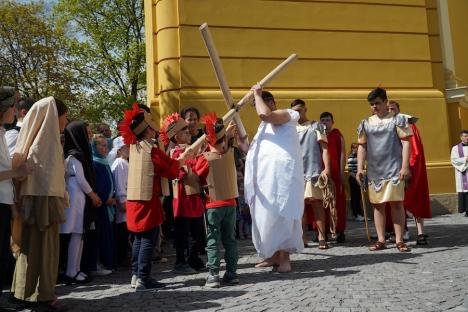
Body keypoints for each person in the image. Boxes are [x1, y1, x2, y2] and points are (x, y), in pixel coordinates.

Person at [119, 104, 188, 291]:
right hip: (147, 200)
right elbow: (170, 169)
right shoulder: (152, 150)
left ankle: (136, 275)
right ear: (147, 129)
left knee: (138, 240)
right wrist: (180, 162)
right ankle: (143, 277)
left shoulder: (134, 148)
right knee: (148, 238)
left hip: (135, 200)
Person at [11, 96, 69, 309]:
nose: (66, 121)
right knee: (45, 247)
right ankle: (40, 294)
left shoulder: (45, 145)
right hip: (44, 201)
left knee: (32, 245)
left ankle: (23, 291)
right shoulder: (45, 147)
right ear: (54, 116)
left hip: (40, 199)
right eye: (65, 116)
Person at [245, 86, 304, 273]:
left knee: (283, 214)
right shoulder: (262, 128)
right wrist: (241, 144)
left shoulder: (287, 115)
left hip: (283, 178)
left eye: (259, 103)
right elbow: (257, 153)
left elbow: (265, 114)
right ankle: (271, 256)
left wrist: (256, 94)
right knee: (266, 217)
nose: (257, 108)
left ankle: (284, 258)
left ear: (271, 102)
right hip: (265, 180)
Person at [194, 113, 247, 287]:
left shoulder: (204, 159)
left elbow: (197, 176)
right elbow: (224, 147)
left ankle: (213, 275)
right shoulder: (230, 154)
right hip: (231, 203)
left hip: (213, 204)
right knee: (230, 240)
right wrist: (228, 135)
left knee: (213, 240)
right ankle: (231, 273)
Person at [356, 87, 412, 252]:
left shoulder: (397, 119)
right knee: (378, 206)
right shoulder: (365, 123)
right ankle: (381, 240)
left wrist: (405, 166)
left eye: (377, 103)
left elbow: (406, 142)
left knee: (396, 204)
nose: (374, 107)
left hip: (394, 168)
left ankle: (399, 240)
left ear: (386, 102)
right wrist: (360, 168)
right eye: (372, 104)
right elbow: (362, 147)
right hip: (374, 171)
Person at [160, 113, 204, 274]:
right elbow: (177, 171)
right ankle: (181, 261)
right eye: (184, 132)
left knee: (197, 231)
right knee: (183, 232)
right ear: (176, 136)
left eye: (187, 131)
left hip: (194, 197)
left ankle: (194, 258)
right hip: (182, 199)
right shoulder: (175, 153)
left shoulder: (191, 150)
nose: (188, 133)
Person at [0, 87, 33, 300]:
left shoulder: (2, 132)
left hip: (4, 201)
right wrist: (18, 171)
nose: (15, 111)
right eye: (13, 106)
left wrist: (12, 204)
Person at [60, 121, 101, 285]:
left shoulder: (79, 154)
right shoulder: (74, 155)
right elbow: (81, 179)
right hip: (76, 196)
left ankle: (75, 269)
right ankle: (71, 270)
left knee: (79, 233)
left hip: (79, 197)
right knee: (75, 233)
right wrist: (93, 195)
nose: (89, 136)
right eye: (87, 133)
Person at [388, 100, 431, 245]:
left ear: (398, 110)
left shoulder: (408, 124)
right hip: (393, 169)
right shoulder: (387, 125)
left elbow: (415, 150)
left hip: (409, 169)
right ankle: (402, 232)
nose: (390, 110)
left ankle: (421, 233)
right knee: (397, 202)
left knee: (415, 198)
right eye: (388, 108)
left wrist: (408, 168)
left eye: (393, 108)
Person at [290, 99, 330, 249]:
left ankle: (321, 237)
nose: (297, 113)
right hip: (296, 172)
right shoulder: (290, 129)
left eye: (299, 110)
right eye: (294, 111)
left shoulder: (316, 126)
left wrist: (327, 168)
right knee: (299, 208)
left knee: (317, 204)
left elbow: (325, 148)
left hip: (313, 171)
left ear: (305, 109)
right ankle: (303, 238)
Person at [320, 111, 347, 243]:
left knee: (337, 202)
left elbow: (342, 153)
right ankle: (322, 231)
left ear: (332, 122)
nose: (325, 123)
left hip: (336, 173)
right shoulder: (318, 135)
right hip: (322, 173)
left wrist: (342, 172)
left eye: (327, 120)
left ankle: (340, 230)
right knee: (322, 201)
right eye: (323, 120)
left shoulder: (337, 135)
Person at [92, 134, 116, 272]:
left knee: (109, 234)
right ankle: (102, 263)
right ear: (94, 147)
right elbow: (96, 185)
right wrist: (105, 198)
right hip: (101, 205)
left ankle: (109, 262)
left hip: (109, 204)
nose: (105, 148)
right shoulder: (94, 162)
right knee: (102, 236)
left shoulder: (104, 161)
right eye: (102, 145)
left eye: (106, 145)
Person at [110, 136, 130, 266]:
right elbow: (120, 185)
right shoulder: (120, 163)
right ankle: (122, 259)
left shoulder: (124, 162)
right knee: (123, 233)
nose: (128, 149)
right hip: (123, 205)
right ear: (118, 150)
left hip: (126, 203)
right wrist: (123, 201)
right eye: (124, 147)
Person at [450, 130, 468, 218]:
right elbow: (453, 160)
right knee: (464, 192)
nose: (466, 138)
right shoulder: (456, 148)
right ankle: (466, 210)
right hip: (463, 173)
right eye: (464, 136)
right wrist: (465, 159)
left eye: (467, 136)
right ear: (461, 137)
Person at [347, 143, 365, 221]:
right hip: (353, 179)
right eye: (355, 148)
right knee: (355, 197)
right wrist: (356, 178)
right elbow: (350, 171)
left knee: (359, 197)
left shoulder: (358, 157)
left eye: (357, 148)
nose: (356, 149)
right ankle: (356, 214)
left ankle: (360, 214)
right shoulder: (351, 158)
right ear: (352, 148)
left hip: (358, 179)